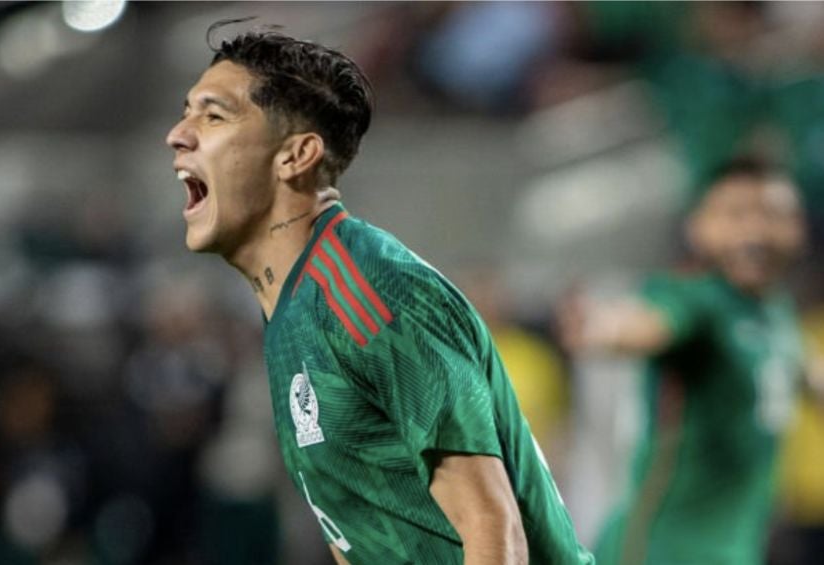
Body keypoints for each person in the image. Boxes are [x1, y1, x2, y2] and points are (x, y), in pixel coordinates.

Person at [165, 21, 593, 565]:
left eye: (213, 115)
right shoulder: (293, 311)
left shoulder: (371, 291)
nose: (178, 134)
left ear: (295, 155)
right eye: (187, 111)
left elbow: (492, 529)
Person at [560, 157, 809, 565]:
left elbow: (797, 371)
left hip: (734, 550)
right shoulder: (692, 297)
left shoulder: (776, 313)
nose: (754, 232)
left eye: (771, 215)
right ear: (698, 227)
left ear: (798, 228)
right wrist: (601, 327)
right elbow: (648, 323)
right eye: (735, 215)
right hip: (663, 550)